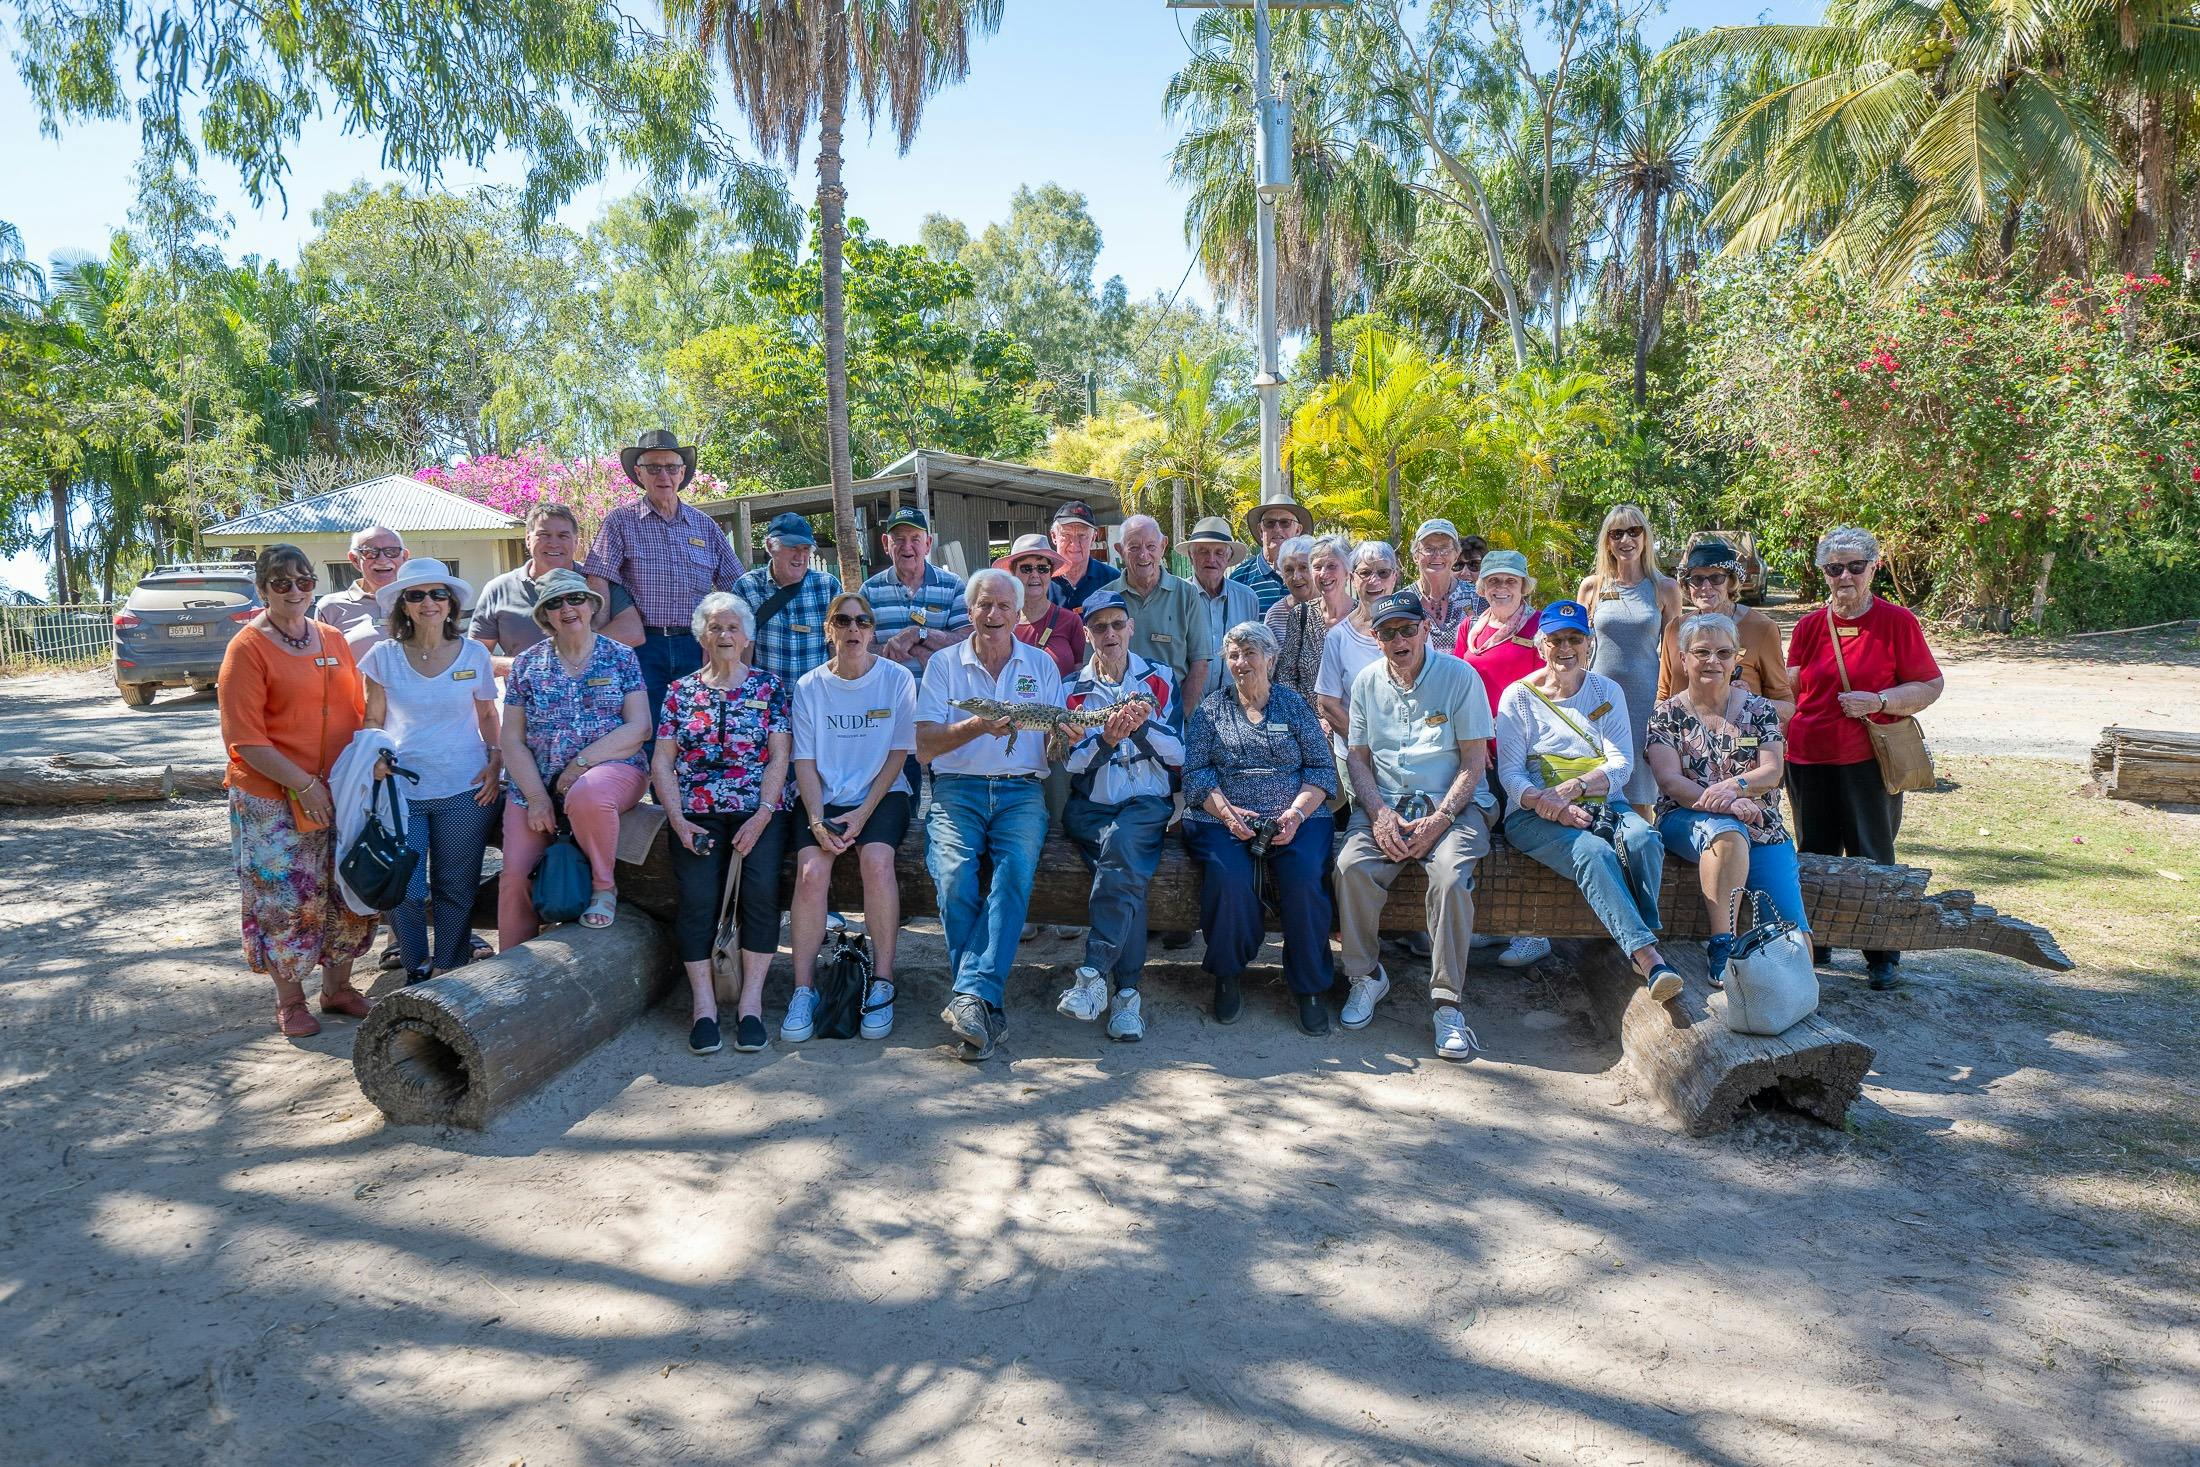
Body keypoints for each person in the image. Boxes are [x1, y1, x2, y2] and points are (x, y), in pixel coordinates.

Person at [218, 543, 378, 1037]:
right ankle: (290, 1001)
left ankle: (338, 988)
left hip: (336, 790)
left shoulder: (331, 637)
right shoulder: (247, 648)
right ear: (263, 589)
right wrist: (303, 784)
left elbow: (357, 710)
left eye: (303, 581)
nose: (294, 591)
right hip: (272, 795)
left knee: (341, 888)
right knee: (285, 897)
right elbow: (244, 739)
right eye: (281, 583)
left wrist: (366, 767)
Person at [1335, 591, 1495, 1059]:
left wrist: (1442, 818)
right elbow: (1358, 759)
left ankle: (1447, 1004)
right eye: (1388, 632)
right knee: (1350, 866)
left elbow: (1472, 763)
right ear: (1376, 638)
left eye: (1408, 628)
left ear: (1426, 629)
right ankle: (1366, 977)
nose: (1399, 639)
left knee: (1448, 877)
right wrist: (1380, 813)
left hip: (1455, 804)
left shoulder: (1459, 676)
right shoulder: (1365, 682)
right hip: (1386, 805)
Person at [1496, 600, 1681, 1002]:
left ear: (1589, 642)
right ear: (1540, 643)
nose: (1565, 648)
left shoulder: (1605, 690)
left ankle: (1636, 935)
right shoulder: (1518, 697)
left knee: (1644, 839)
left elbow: (1622, 763)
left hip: (1603, 802)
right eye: (1555, 640)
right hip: (1532, 814)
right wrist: (1548, 802)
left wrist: (1573, 789)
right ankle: (1648, 956)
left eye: (1574, 639)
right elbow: (1509, 772)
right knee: (1594, 853)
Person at [1784, 526, 1945, 989]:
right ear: (1824, 574)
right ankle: (1820, 943)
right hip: (1809, 758)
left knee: (1872, 855)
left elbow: (1929, 685)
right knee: (1813, 855)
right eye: (1835, 569)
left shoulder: (1897, 622)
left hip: (1867, 760)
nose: (1845, 576)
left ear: (1874, 567)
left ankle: (1881, 953)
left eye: (1856, 566)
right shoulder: (1812, 626)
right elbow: (1793, 687)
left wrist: (1879, 700)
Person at [915, 567, 1064, 1062]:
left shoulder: (1041, 664)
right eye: (984, 604)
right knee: (954, 875)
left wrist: (1077, 733)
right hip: (957, 790)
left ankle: (971, 999)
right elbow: (924, 745)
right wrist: (977, 726)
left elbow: (1057, 738)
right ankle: (983, 1002)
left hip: (1022, 792)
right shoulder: (943, 664)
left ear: (1018, 614)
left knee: (1014, 874)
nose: (993, 614)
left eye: (1003, 606)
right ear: (970, 610)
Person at [653, 593, 794, 1055]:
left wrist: (763, 813)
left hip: (760, 810)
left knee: (760, 896)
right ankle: (704, 1008)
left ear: (747, 636)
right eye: (715, 628)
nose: (725, 636)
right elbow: (662, 761)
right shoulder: (680, 692)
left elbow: (779, 755)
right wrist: (676, 819)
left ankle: (750, 1005)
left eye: (733, 628)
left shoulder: (768, 687)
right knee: (697, 901)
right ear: (702, 636)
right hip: (696, 813)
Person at [1181, 621, 1338, 1032]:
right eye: (1233, 655)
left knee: (1305, 879)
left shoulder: (1294, 705)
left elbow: (1323, 769)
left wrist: (1296, 814)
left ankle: (1309, 986)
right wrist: (1228, 814)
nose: (1241, 662)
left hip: (1297, 816)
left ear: (1270, 658)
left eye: (1250, 653)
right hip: (1222, 818)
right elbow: (1195, 776)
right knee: (1228, 878)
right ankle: (1228, 974)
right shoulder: (1211, 709)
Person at [357, 558, 500, 986]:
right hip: (402, 790)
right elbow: (372, 720)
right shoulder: (382, 657)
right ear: (403, 605)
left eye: (438, 593)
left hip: (466, 787)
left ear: (452, 603)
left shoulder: (474, 653)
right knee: (406, 888)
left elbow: (489, 716)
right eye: (416, 595)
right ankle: (417, 968)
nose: (429, 602)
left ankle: (450, 968)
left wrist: (496, 761)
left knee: (456, 885)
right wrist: (375, 758)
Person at [1647, 613, 1807, 987]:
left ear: (1737, 658)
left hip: (1762, 826)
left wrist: (1733, 789)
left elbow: (1771, 771)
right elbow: (1669, 780)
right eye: (1701, 652)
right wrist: (1728, 804)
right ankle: (1723, 943)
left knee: (1797, 942)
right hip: (1686, 818)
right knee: (1726, 832)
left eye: (1723, 653)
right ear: (1682, 658)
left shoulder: (1760, 710)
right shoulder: (1666, 715)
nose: (1712, 662)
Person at [1054, 589, 1184, 1041]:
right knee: (1125, 874)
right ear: (1087, 634)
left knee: (1123, 849)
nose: (1109, 634)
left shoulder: (1159, 678)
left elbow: (1177, 753)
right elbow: (1069, 762)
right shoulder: (1072, 689)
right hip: (1092, 806)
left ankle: (1096, 977)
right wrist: (1107, 740)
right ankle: (1126, 998)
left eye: (1117, 624)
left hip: (1146, 802)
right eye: (1099, 627)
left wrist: (1142, 725)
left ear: (1131, 627)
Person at [497, 568, 652, 945]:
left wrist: (580, 764)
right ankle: (511, 968)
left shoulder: (620, 657)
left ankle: (604, 886)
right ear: (544, 615)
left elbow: (640, 728)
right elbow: (512, 739)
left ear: (591, 605)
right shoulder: (527, 665)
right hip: (537, 783)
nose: (567, 608)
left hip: (615, 770)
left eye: (575, 598)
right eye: (554, 603)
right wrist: (536, 798)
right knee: (516, 874)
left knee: (589, 791)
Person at [790, 592, 914, 1044]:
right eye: (843, 621)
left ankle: (882, 981)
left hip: (881, 795)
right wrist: (818, 819)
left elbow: (899, 754)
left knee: (876, 861)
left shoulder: (897, 679)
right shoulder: (808, 686)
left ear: (873, 630)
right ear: (830, 630)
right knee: (810, 873)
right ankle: (802, 990)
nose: (853, 629)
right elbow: (803, 760)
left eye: (863, 621)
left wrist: (862, 814)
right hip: (822, 797)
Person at [582, 428, 747, 722]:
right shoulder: (620, 522)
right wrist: (605, 646)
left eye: (671, 468)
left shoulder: (705, 527)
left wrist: (718, 640)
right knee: (644, 727)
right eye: (653, 468)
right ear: (639, 473)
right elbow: (598, 580)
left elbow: (734, 588)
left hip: (695, 645)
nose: (663, 476)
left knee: (697, 725)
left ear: (682, 473)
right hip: (643, 645)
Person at [1453, 548, 1551, 968]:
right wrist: (1471, 742)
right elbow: (1456, 688)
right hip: (1478, 752)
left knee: (1527, 833)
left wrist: (1506, 739)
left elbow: (1552, 690)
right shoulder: (1470, 628)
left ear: (1524, 585)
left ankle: (1534, 930)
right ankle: (1494, 923)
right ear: (1482, 587)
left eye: (1510, 581)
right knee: (1485, 836)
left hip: (1524, 750)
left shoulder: (1539, 626)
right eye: (1494, 581)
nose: (1502, 588)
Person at [1579, 504, 1682, 809]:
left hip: (1645, 698)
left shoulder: (1664, 588)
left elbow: (1673, 653)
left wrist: (1670, 702)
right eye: (1617, 533)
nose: (1626, 540)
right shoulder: (1592, 587)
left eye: (1634, 531)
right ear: (1607, 542)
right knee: (1594, 778)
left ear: (1646, 537)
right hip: (1597, 696)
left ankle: (1639, 850)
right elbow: (1578, 646)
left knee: (1640, 788)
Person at [471, 503, 644, 675]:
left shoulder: (597, 581)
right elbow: (476, 656)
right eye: (544, 535)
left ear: (576, 542)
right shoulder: (498, 590)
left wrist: (569, 657)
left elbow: (633, 632)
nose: (553, 543)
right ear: (528, 539)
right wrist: (528, 665)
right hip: (526, 699)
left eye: (563, 536)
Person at [1656, 540, 1793, 721]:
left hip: (1740, 744)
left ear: (1731, 582)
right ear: (1687, 585)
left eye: (1716, 578)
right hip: (1684, 743)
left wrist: (1749, 702)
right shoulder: (1675, 629)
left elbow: (1787, 707)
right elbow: (1663, 696)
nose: (1706, 587)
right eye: (1697, 579)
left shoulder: (1762, 628)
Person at [1313, 540, 1401, 776]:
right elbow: (1328, 704)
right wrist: (1367, 747)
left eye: (1383, 573)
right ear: (1353, 578)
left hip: (1410, 756)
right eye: (1365, 573)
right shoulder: (1338, 637)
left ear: (1394, 577)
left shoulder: (1414, 631)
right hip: (1358, 757)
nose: (1374, 581)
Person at [1113, 514, 1213, 717]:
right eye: (1133, 547)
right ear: (1120, 551)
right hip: (1122, 721)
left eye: (1150, 546)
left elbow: (1200, 663)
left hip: (1176, 716)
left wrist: (1176, 717)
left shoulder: (1186, 594)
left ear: (1163, 546)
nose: (1143, 555)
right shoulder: (1106, 598)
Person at [733, 511, 842, 687]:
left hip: (815, 698)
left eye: (805, 548)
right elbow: (741, 649)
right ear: (770, 546)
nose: (800, 556)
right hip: (766, 699)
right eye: (792, 547)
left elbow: (836, 646)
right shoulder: (748, 587)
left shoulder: (827, 586)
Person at [863, 506, 970, 681]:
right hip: (887, 701)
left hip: (939, 698)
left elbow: (967, 643)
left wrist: (918, 634)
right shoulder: (869, 591)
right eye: (899, 538)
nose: (907, 547)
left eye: (915, 539)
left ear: (927, 544)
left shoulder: (952, 585)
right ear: (885, 544)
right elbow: (860, 648)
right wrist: (913, 649)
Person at [1272, 532, 1351, 709]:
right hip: (1311, 726)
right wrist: (1307, 719)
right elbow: (1286, 676)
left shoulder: (1361, 615)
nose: (1324, 573)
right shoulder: (1301, 615)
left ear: (1347, 570)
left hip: (1357, 723)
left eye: (1331, 566)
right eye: (1317, 566)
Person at [1185, 516, 1262, 690]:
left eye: (1219, 552)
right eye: (1203, 551)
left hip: (1234, 703)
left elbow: (1252, 653)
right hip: (1189, 705)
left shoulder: (1247, 598)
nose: (1211, 559)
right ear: (1191, 556)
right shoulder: (1178, 597)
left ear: (1228, 558)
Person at [999, 533, 1086, 678]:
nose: (1034, 574)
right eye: (1026, 568)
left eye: (1042, 568)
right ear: (1013, 573)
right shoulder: (1001, 621)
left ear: (1051, 573)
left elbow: (1081, 678)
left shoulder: (1071, 621)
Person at [314, 525, 407, 655]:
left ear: (404, 557)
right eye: (370, 552)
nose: (382, 560)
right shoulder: (330, 607)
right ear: (355, 560)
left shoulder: (421, 601)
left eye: (392, 551)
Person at [1260, 534, 1324, 700]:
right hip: (1289, 706)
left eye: (1304, 568)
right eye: (1289, 570)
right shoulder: (1275, 614)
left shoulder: (1332, 608)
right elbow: (1270, 669)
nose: (1296, 576)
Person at [1409, 518, 1484, 650]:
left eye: (1445, 548)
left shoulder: (1479, 597)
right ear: (1415, 556)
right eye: (1428, 549)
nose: (1437, 555)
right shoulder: (1404, 601)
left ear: (1456, 556)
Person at [1231, 500, 1312, 616]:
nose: (1277, 529)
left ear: (1298, 530)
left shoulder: (1314, 571)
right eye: (1270, 523)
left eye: (1285, 522)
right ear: (1260, 530)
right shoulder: (1241, 577)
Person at [1047, 499, 1122, 611]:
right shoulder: (1040, 579)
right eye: (1066, 535)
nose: (1074, 543)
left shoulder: (1113, 580)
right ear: (1054, 536)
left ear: (1093, 538)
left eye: (1082, 535)